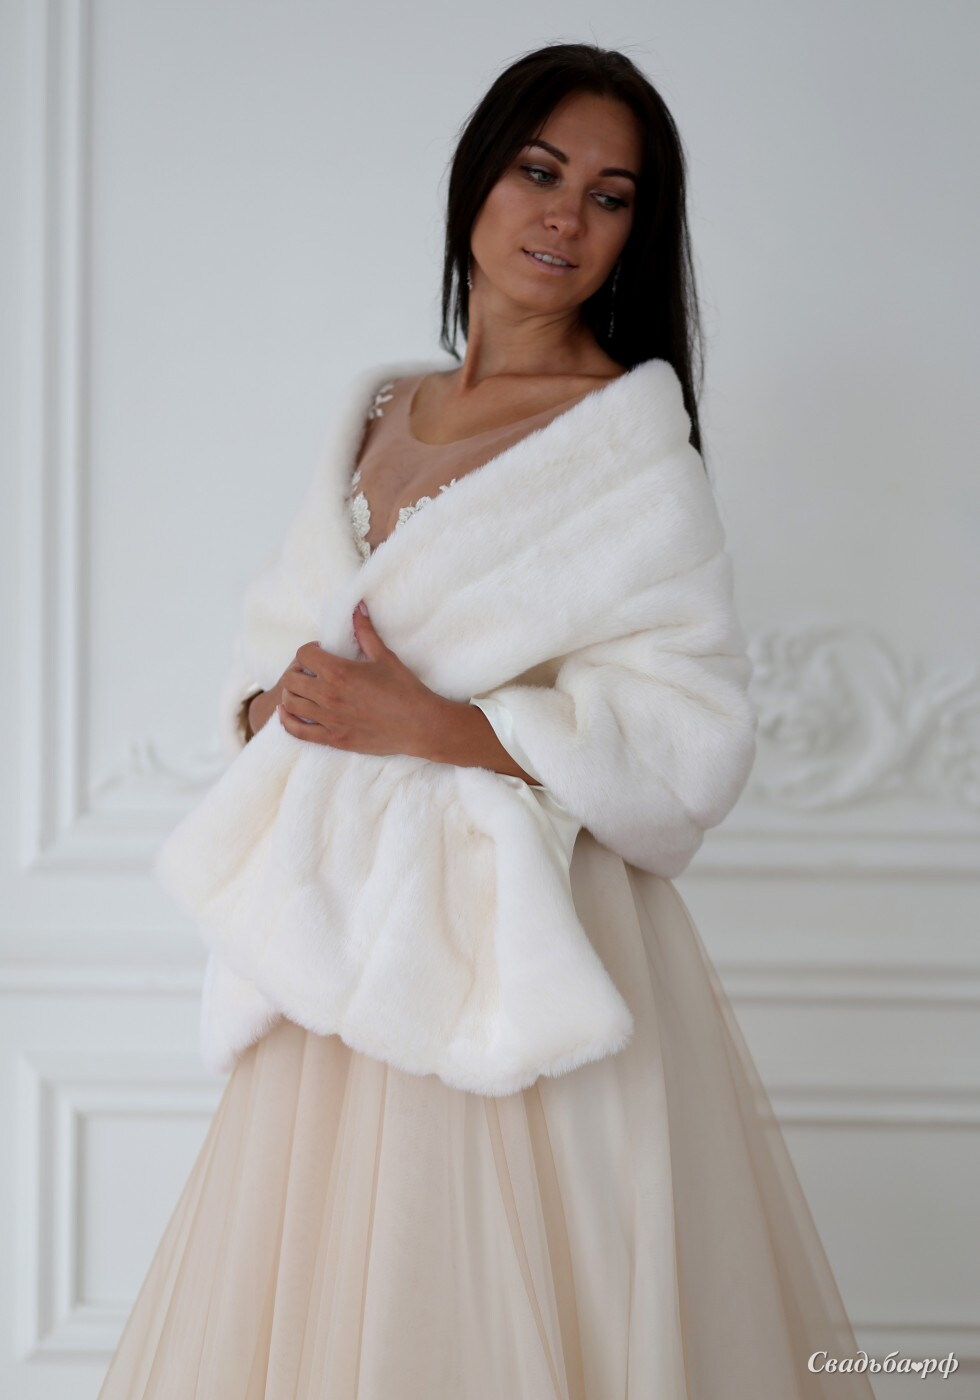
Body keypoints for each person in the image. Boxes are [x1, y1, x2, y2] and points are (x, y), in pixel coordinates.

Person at [98, 42, 875, 1400]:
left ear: (638, 234)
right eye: (540, 171)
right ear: (476, 182)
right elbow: (283, 632)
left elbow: (689, 739)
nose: (566, 216)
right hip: (343, 927)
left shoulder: (630, 449)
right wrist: (275, 702)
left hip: (522, 937)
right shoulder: (378, 410)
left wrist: (434, 722)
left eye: (611, 196)